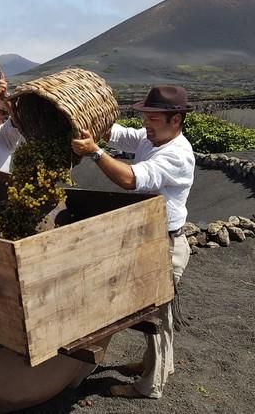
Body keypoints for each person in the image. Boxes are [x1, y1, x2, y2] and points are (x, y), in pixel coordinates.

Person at [71, 85, 195, 400]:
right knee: (152, 312)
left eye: (153, 117)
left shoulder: (176, 154)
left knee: (158, 314)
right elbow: (115, 133)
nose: (146, 124)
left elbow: (130, 179)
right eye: (145, 116)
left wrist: (94, 153)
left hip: (165, 244)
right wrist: (81, 120)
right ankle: (154, 364)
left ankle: (150, 386)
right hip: (151, 240)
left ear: (176, 119)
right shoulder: (149, 138)